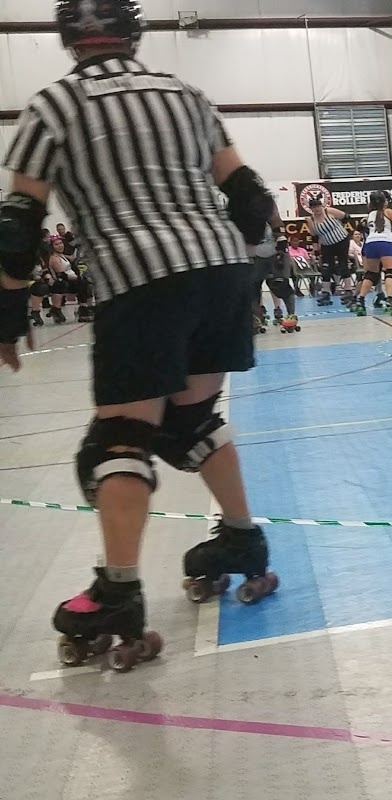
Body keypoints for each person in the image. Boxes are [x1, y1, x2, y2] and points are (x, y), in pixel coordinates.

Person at [0, 0, 278, 671]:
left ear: (68, 39)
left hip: (139, 278)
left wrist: (9, 318)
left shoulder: (52, 107)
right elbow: (250, 198)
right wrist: (217, 271)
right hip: (221, 271)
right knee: (190, 421)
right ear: (133, 34)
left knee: (117, 442)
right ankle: (243, 542)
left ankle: (118, 593)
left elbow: (17, 231)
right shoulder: (188, 96)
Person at [348, 191, 392, 316]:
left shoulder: (369, 215)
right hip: (386, 243)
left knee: (371, 275)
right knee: (389, 272)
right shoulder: (387, 211)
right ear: (384, 202)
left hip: (370, 244)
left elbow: (360, 227)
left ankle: (361, 300)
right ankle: (390, 299)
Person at [302, 196, 350, 306]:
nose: (317, 209)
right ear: (311, 209)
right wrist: (316, 251)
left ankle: (348, 291)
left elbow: (346, 217)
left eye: (318, 206)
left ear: (321, 205)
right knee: (326, 268)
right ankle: (326, 293)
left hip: (341, 241)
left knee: (343, 264)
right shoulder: (311, 220)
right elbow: (314, 236)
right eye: (314, 207)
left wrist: (340, 228)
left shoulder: (329, 211)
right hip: (326, 245)